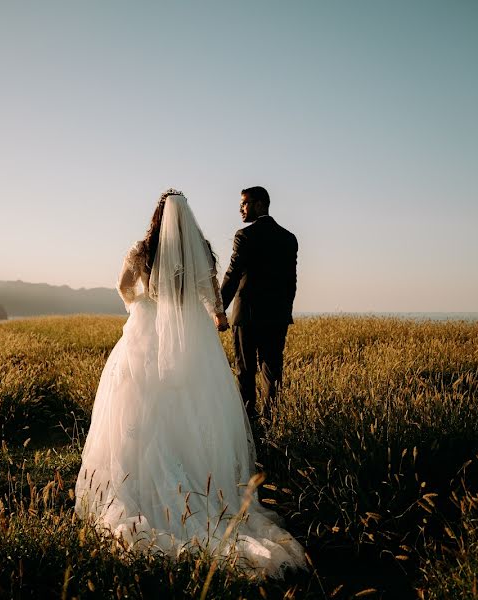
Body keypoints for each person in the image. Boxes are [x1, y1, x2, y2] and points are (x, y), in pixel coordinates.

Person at [74, 189, 305, 579]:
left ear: (158, 216)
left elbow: (123, 287)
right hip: (192, 338)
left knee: (141, 406)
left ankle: (144, 482)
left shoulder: (142, 251)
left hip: (147, 335)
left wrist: (142, 304)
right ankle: (204, 483)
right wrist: (213, 314)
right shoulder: (201, 249)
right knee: (200, 402)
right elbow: (212, 293)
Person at [220, 186, 299, 430]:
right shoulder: (289, 238)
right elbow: (291, 282)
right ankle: (269, 423)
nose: (241, 208)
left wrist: (219, 309)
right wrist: (284, 311)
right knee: (272, 371)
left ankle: (248, 425)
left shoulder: (244, 235)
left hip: (247, 316)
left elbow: (232, 275)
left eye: (244, 203)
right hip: (277, 317)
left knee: (245, 371)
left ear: (260, 203)